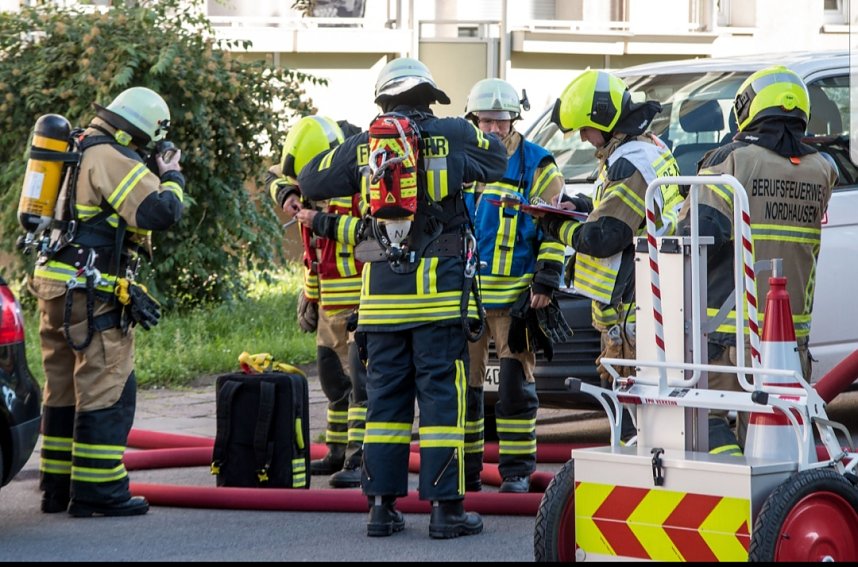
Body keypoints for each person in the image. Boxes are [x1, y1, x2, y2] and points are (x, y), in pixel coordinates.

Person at [297, 57, 507, 539]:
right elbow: (497, 159)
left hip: (380, 304)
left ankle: (380, 510)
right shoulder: (454, 133)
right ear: (429, 97)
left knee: (384, 408)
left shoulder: (364, 145)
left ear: (384, 100)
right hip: (437, 302)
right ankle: (444, 513)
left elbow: (310, 181)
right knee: (440, 407)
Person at [31, 86, 184, 517]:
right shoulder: (110, 157)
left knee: (62, 390)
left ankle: (56, 488)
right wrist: (171, 176)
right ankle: (100, 492)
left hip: (52, 286)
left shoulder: (74, 147)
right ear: (138, 134)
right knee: (107, 387)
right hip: (90, 294)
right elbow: (158, 212)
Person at [677, 65, 837, 454]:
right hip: (787, 340)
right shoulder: (823, 169)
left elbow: (695, 236)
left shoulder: (732, 160)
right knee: (771, 440)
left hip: (727, 331)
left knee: (706, 420)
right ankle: (768, 509)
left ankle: (728, 493)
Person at [542, 70, 685, 442]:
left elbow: (607, 236)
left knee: (639, 426)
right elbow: (625, 213)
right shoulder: (646, 148)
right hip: (643, 304)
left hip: (634, 311)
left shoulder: (629, 161)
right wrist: (581, 206)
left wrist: (556, 226)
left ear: (604, 122)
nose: (583, 139)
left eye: (585, 129)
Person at [461, 79, 566, 494]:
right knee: (464, 393)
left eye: (499, 122)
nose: (491, 130)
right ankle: (466, 472)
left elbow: (555, 226)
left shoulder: (537, 165)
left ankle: (518, 472)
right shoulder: (464, 163)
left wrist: (545, 279)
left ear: (513, 120)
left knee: (513, 389)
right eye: (484, 121)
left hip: (516, 298)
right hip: (467, 299)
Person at [265, 115, 368, 488]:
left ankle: (361, 457)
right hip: (326, 304)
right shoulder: (307, 176)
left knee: (362, 385)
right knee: (332, 381)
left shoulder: (361, 180)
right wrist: (287, 194)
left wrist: (322, 219)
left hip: (363, 303)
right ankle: (336, 451)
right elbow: (274, 175)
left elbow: (369, 233)